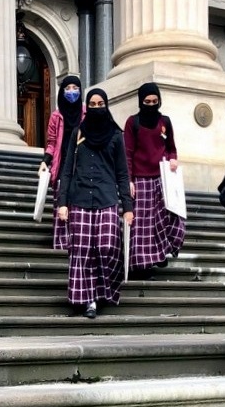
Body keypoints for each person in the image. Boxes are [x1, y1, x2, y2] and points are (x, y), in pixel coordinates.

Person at [57, 88, 133, 319]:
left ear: (106, 106)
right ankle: (89, 299)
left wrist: (128, 208)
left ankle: (105, 288)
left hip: (107, 198)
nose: (97, 108)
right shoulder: (79, 133)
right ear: (87, 106)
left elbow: (122, 173)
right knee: (82, 250)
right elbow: (67, 169)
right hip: (79, 198)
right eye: (93, 104)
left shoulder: (115, 136)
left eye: (101, 104)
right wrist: (63, 203)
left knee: (107, 246)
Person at [123, 82, 185, 278]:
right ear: (141, 101)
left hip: (162, 178)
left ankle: (161, 252)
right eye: (147, 101)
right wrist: (129, 180)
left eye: (155, 101)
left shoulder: (165, 121)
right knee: (142, 225)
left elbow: (171, 146)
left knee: (168, 218)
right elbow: (128, 153)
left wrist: (173, 158)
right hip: (140, 180)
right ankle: (141, 265)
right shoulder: (132, 122)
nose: (151, 104)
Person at [38, 75, 84, 249]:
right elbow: (51, 142)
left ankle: (77, 241)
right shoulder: (56, 116)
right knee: (61, 202)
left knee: (78, 203)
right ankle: (62, 243)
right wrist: (45, 161)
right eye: (68, 88)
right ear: (62, 91)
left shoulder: (86, 112)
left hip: (81, 165)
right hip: (62, 163)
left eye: (75, 88)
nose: (72, 92)